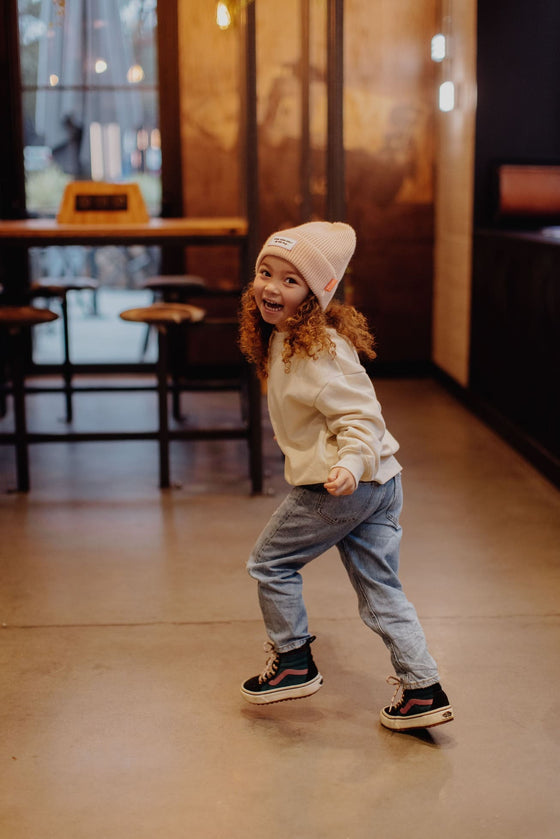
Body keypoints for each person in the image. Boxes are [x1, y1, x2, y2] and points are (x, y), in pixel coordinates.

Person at [238, 221, 453, 731]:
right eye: (265, 273)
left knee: (270, 563)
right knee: (381, 588)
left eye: (291, 281)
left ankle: (293, 662)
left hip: (343, 485)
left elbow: (362, 416)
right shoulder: (288, 338)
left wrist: (348, 465)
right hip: (382, 482)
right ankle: (423, 689)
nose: (271, 287)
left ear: (315, 295)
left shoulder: (320, 351)